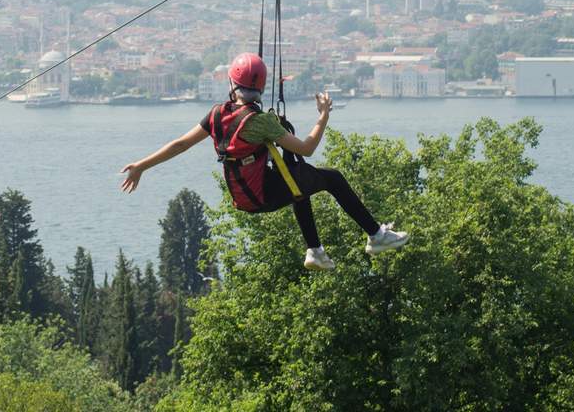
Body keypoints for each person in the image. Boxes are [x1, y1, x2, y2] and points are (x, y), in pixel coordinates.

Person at [120, 52, 408, 270]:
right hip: (262, 195)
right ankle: (375, 235)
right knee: (331, 178)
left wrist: (141, 166)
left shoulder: (217, 114)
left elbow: (180, 144)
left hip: (243, 196)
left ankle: (315, 250)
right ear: (261, 86)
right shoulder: (259, 121)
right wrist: (323, 115)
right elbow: (307, 147)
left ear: (233, 83)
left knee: (298, 175)